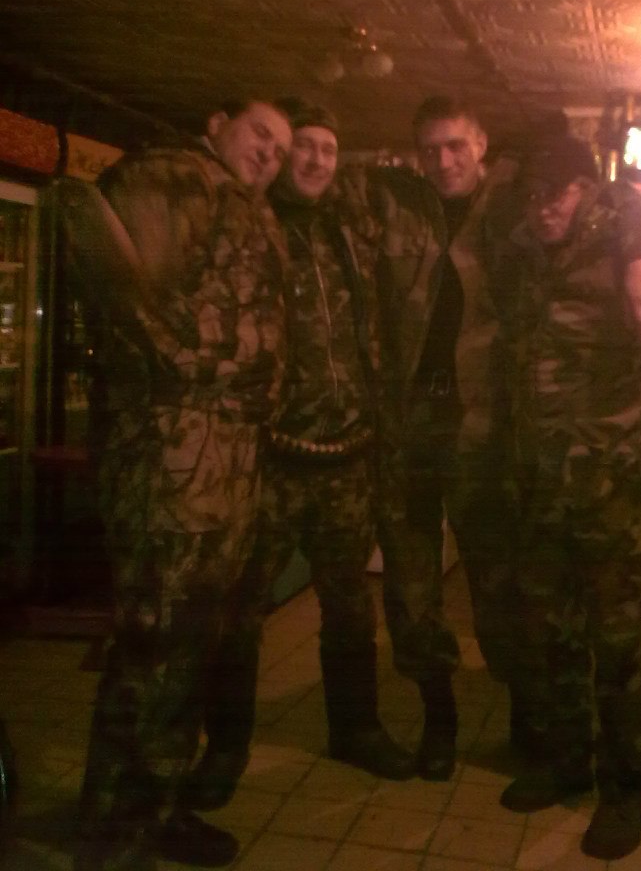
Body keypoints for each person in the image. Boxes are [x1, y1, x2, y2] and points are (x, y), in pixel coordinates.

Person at [366, 96, 641, 781]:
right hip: (411, 429)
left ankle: (530, 720)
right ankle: (440, 720)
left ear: (481, 143)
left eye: (455, 145)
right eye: (430, 149)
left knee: (502, 589)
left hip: (488, 431)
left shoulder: (514, 202)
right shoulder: (397, 204)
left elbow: (610, 196)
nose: (443, 160)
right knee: (412, 592)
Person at [58, 97, 292, 871]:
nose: (271, 153)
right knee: (154, 646)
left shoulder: (243, 207)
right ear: (217, 122)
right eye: (261, 134)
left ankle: (147, 808)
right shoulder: (172, 178)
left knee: (185, 650)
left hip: (220, 468)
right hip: (173, 464)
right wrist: (224, 371)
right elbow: (129, 313)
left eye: (282, 148)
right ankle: (115, 834)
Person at [492, 139, 641, 859]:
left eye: (556, 193)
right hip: (541, 492)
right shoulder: (527, 263)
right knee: (553, 640)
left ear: (587, 190)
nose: (542, 209)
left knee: (625, 651)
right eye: (532, 196)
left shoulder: (635, 266)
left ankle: (627, 786)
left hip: (612, 500)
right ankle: (568, 761)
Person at [181, 100, 413, 817]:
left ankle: (356, 729)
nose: (313, 160)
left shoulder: (353, 226)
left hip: (348, 454)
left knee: (350, 607)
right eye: (299, 147)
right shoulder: (248, 222)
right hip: (270, 458)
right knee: (239, 612)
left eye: (326, 149)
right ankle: (225, 749)